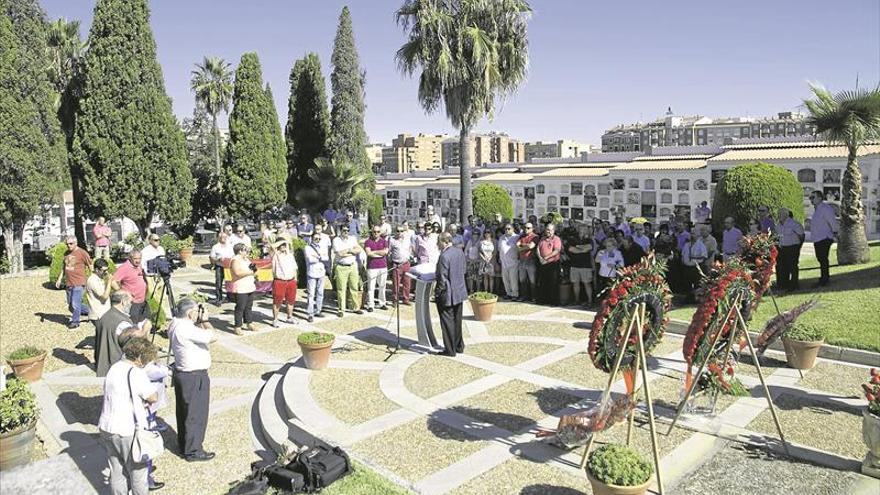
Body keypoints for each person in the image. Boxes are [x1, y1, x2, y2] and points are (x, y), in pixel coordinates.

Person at [98, 337, 162, 495]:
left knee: (116, 471)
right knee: (138, 474)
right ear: (139, 357)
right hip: (128, 430)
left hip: (106, 426)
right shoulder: (136, 373)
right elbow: (152, 397)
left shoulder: (114, 367)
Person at [169, 299, 215, 463]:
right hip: (194, 376)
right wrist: (205, 320)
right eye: (196, 311)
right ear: (190, 313)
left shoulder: (175, 324)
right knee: (196, 413)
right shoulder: (187, 329)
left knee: (184, 412)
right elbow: (212, 336)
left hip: (183, 374)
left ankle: (185, 445)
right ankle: (193, 450)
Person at [94, 291, 151, 377]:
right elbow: (135, 343)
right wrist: (145, 330)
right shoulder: (121, 322)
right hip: (118, 368)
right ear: (123, 302)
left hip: (103, 366)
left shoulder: (105, 316)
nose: (131, 304)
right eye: (130, 302)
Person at [434, 233, 467, 357]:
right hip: (459, 290)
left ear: (444, 242)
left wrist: (437, 293)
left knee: (447, 322)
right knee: (457, 321)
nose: (437, 244)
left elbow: (442, 279)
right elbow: (463, 270)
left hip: (448, 293)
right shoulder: (459, 252)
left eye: (439, 242)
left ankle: (450, 349)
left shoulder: (444, 256)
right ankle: (459, 345)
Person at [55, 236, 92, 329]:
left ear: (76, 243)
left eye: (71, 243)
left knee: (75, 304)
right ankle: (91, 310)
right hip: (69, 283)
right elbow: (64, 268)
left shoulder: (82, 253)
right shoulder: (66, 253)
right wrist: (59, 279)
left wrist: (93, 279)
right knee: (71, 306)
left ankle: (75, 322)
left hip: (79, 283)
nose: (69, 245)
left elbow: (90, 265)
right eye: (67, 244)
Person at [332, 224, 363, 317]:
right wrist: (351, 251)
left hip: (352, 266)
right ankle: (341, 309)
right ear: (340, 230)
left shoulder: (352, 238)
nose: (346, 232)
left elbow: (359, 250)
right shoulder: (336, 240)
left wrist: (348, 251)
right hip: (341, 267)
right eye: (344, 230)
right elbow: (340, 254)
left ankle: (355, 307)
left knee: (354, 287)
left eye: (347, 230)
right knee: (341, 289)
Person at [112, 250, 150, 324]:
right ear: (130, 258)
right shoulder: (124, 268)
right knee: (132, 324)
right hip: (132, 302)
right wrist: (123, 293)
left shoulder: (139, 266)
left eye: (140, 258)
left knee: (143, 322)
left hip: (142, 300)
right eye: (135, 259)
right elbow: (113, 282)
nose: (138, 261)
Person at [809, 191, 838, 287]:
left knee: (823, 258)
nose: (811, 199)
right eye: (810, 197)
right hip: (818, 238)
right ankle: (823, 278)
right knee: (820, 258)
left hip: (824, 238)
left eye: (813, 197)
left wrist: (835, 233)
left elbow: (832, 221)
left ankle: (824, 279)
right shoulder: (817, 209)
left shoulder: (825, 208)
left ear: (820, 198)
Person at [230, 243, 257, 335]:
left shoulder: (246, 259)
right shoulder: (235, 260)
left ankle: (249, 322)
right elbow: (237, 272)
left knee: (249, 306)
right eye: (245, 250)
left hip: (249, 286)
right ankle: (238, 326)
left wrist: (254, 270)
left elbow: (252, 269)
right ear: (240, 251)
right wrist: (250, 273)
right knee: (240, 307)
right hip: (240, 286)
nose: (247, 251)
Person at [776, 207, 805, 291]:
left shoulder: (794, 224)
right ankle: (784, 284)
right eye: (778, 214)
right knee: (782, 267)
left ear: (786, 214)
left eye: (780, 214)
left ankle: (794, 285)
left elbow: (801, 235)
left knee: (793, 266)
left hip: (792, 247)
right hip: (782, 248)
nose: (779, 216)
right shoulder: (778, 225)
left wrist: (798, 246)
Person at [270, 240, 298, 327]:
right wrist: (283, 241)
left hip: (291, 281)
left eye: (284, 245)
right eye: (281, 245)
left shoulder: (290, 255)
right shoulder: (275, 255)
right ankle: (275, 319)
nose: (283, 246)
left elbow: (294, 268)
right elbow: (272, 246)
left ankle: (289, 317)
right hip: (279, 281)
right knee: (277, 301)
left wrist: (295, 279)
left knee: (291, 300)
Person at [304, 230, 328, 322]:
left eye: (319, 239)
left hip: (321, 272)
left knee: (320, 293)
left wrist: (317, 257)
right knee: (311, 294)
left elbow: (326, 258)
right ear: (312, 239)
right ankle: (310, 313)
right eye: (315, 238)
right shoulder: (308, 248)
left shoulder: (322, 247)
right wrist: (320, 257)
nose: (317, 240)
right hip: (312, 272)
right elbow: (310, 259)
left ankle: (318, 310)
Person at [567, 226, 594, 307]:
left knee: (587, 284)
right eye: (580, 229)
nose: (582, 230)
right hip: (574, 265)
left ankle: (590, 301)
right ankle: (576, 300)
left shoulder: (589, 240)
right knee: (575, 283)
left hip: (585, 266)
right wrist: (582, 249)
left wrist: (577, 247)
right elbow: (571, 249)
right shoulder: (572, 239)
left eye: (583, 229)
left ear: (586, 231)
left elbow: (589, 247)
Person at [364, 226, 389, 311]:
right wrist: (379, 253)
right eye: (374, 231)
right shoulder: (368, 242)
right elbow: (369, 253)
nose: (376, 233)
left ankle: (382, 303)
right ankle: (371, 305)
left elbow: (385, 252)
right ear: (372, 232)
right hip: (372, 267)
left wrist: (374, 252)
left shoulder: (384, 241)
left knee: (382, 286)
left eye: (378, 232)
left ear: (380, 232)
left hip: (383, 266)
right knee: (371, 287)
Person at [536, 223, 563, 305]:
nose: (548, 231)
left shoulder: (556, 239)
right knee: (543, 282)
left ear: (554, 231)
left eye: (550, 230)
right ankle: (543, 300)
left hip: (553, 264)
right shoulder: (542, 238)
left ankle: (554, 301)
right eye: (547, 229)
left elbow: (556, 250)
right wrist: (540, 258)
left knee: (553, 283)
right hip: (543, 264)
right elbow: (538, 248)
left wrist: (546, 258)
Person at [388, 226, 412, 306]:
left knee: (407, 283)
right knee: (396, 284)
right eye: (398, 231)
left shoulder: (407, 239)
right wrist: (391, 262)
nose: (400, 233)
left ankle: (406, 298)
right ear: (395, 232)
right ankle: (395, 300)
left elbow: (410, 248)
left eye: (401, 231)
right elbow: (389, 252)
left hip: (406, 263)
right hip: (397, 264)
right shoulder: (392, 240)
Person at [681, 233, 708, 303]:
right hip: (687, 267)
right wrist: (683, 261)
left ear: (697, 236)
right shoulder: (687, 245)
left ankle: (696, 300)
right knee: (687, 284)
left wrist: (694, 257)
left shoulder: (701, 245)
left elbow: (704, 256)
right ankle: (688, 299)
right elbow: (683, 254)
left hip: (695, 267)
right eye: (691, 234)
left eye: (694, 234)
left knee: (697, 284)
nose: (692, 236)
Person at [209, 232, 233, 305]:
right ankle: (219, 298)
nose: (224, 239)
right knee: (218, 283)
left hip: (228, 266)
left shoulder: (230, 246)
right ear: (219, 238)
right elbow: (211, 257)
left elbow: (233, 256)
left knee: (229, 282)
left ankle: (229, 297)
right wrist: (217, 260)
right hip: (219, 266)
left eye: (225, 237)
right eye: (223, 237)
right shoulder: (215, 247)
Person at [516, 222, 539, 301]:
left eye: (528, 228)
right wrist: (526, 246)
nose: (526, 229)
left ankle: (533, 297)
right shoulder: (521, 236)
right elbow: (517, 245)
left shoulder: (535, 237)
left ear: (532, 229)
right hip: (522, 260)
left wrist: (522, 247)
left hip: (531, 260)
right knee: (522, 280)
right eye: (525, 227)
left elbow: (531, 246)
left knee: (532, 281)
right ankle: (523, 296)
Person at [497, 224, 520, 300]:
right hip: (504, 262)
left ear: (513, 229)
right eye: (506, 229)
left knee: (513, 280)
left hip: (513, 262)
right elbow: (499, 249)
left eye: (509, 229)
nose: (507, 230)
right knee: (505, 280)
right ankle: (508, 293)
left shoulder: (516, 237)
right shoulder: (502, 238)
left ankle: (515, 295)